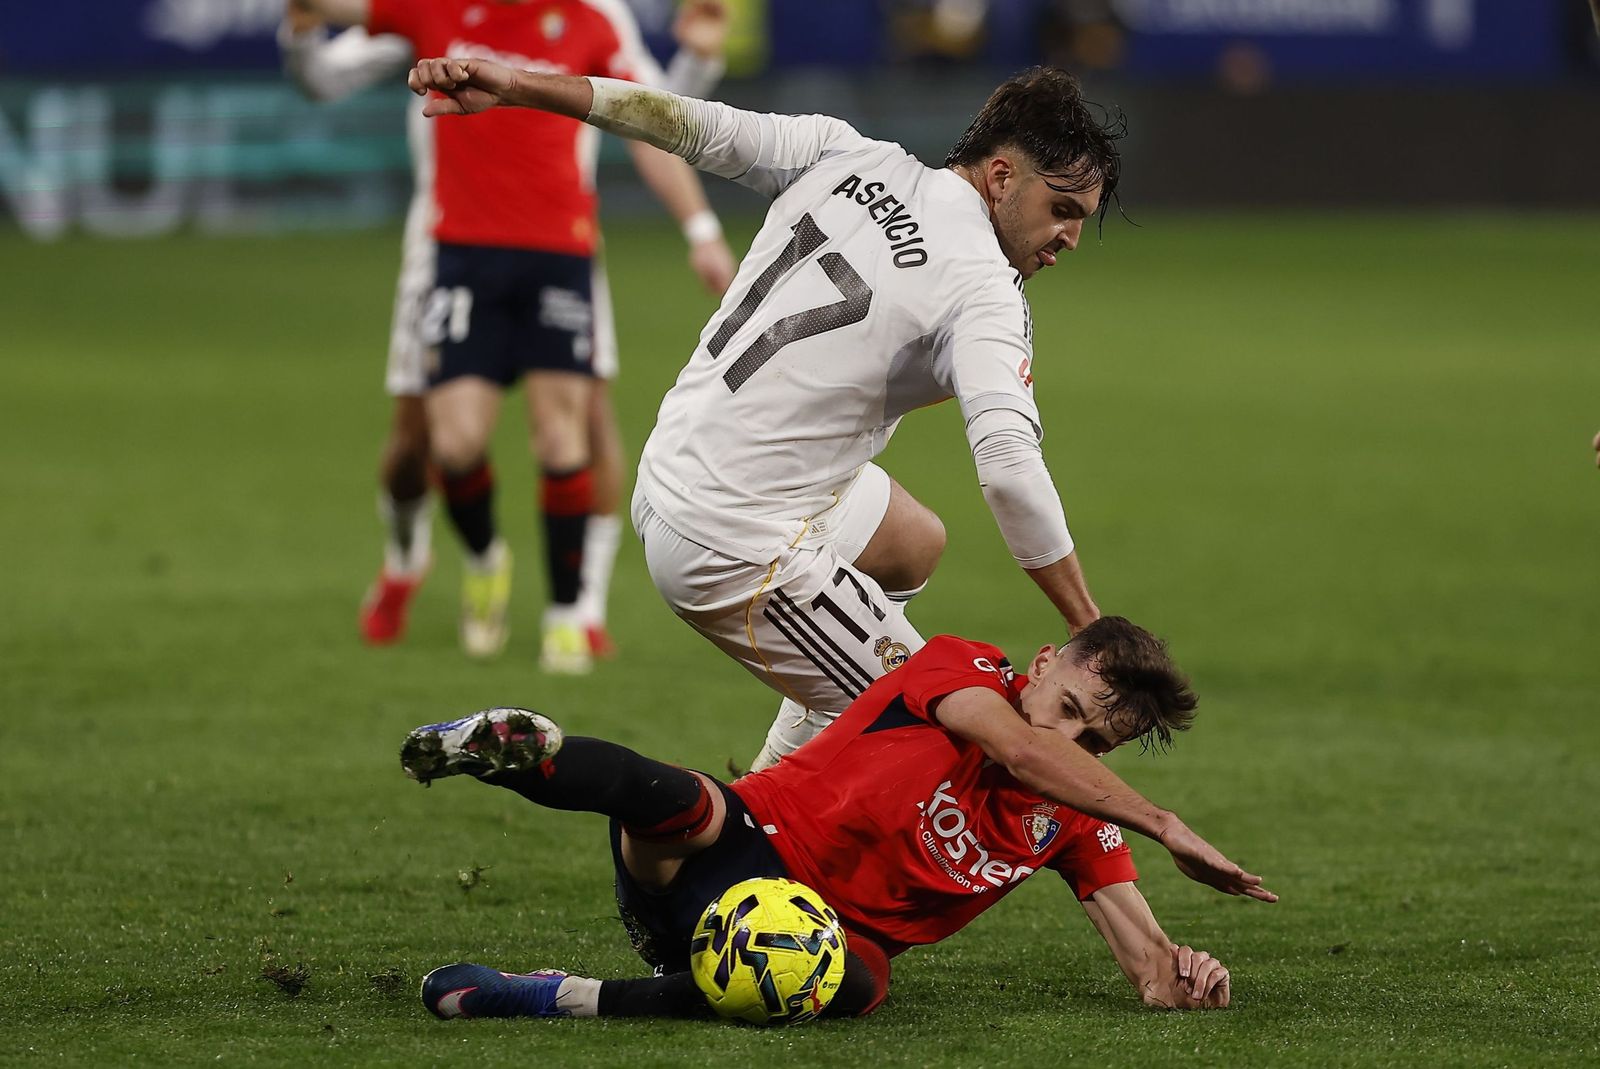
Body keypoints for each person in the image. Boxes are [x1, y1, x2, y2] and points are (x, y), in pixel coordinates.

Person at [405, 56, 1127, 764]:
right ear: (1002, 176)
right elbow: (1008, 470)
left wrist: (518, 85)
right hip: (733, 541)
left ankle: (775, 773)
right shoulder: (984, 289)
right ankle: (662, 800)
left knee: (912, 543)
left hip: (674, 468)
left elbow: (679, 120)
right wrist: (1085, 621)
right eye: (1060, 209)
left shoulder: (844, 152)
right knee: (949, 732)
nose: (1067, 237)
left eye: (1080, 220)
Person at [396, 615, 1272, 1021]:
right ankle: (518, 753)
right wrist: (1166, 823)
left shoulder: (1076, 814)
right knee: (686, 801)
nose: (1068, 736)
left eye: (1095, 740)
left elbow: (1147, 960)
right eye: (1069, 703)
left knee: (853, 982)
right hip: (730, 847)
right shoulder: (960, 666)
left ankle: (550, 996)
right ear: (1041, 662)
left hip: (802, 943)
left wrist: (1179, 976)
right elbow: (1017, 747)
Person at [290, 0, 738, 672]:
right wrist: (298, 32)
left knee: (584, 418)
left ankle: (579, 609)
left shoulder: (595, 14)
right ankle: (416, 556)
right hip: (447, 241)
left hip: (560, 240)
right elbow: (326, 75)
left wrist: (701, 63)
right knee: (422, 439)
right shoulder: (434, 9)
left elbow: (649, 109)